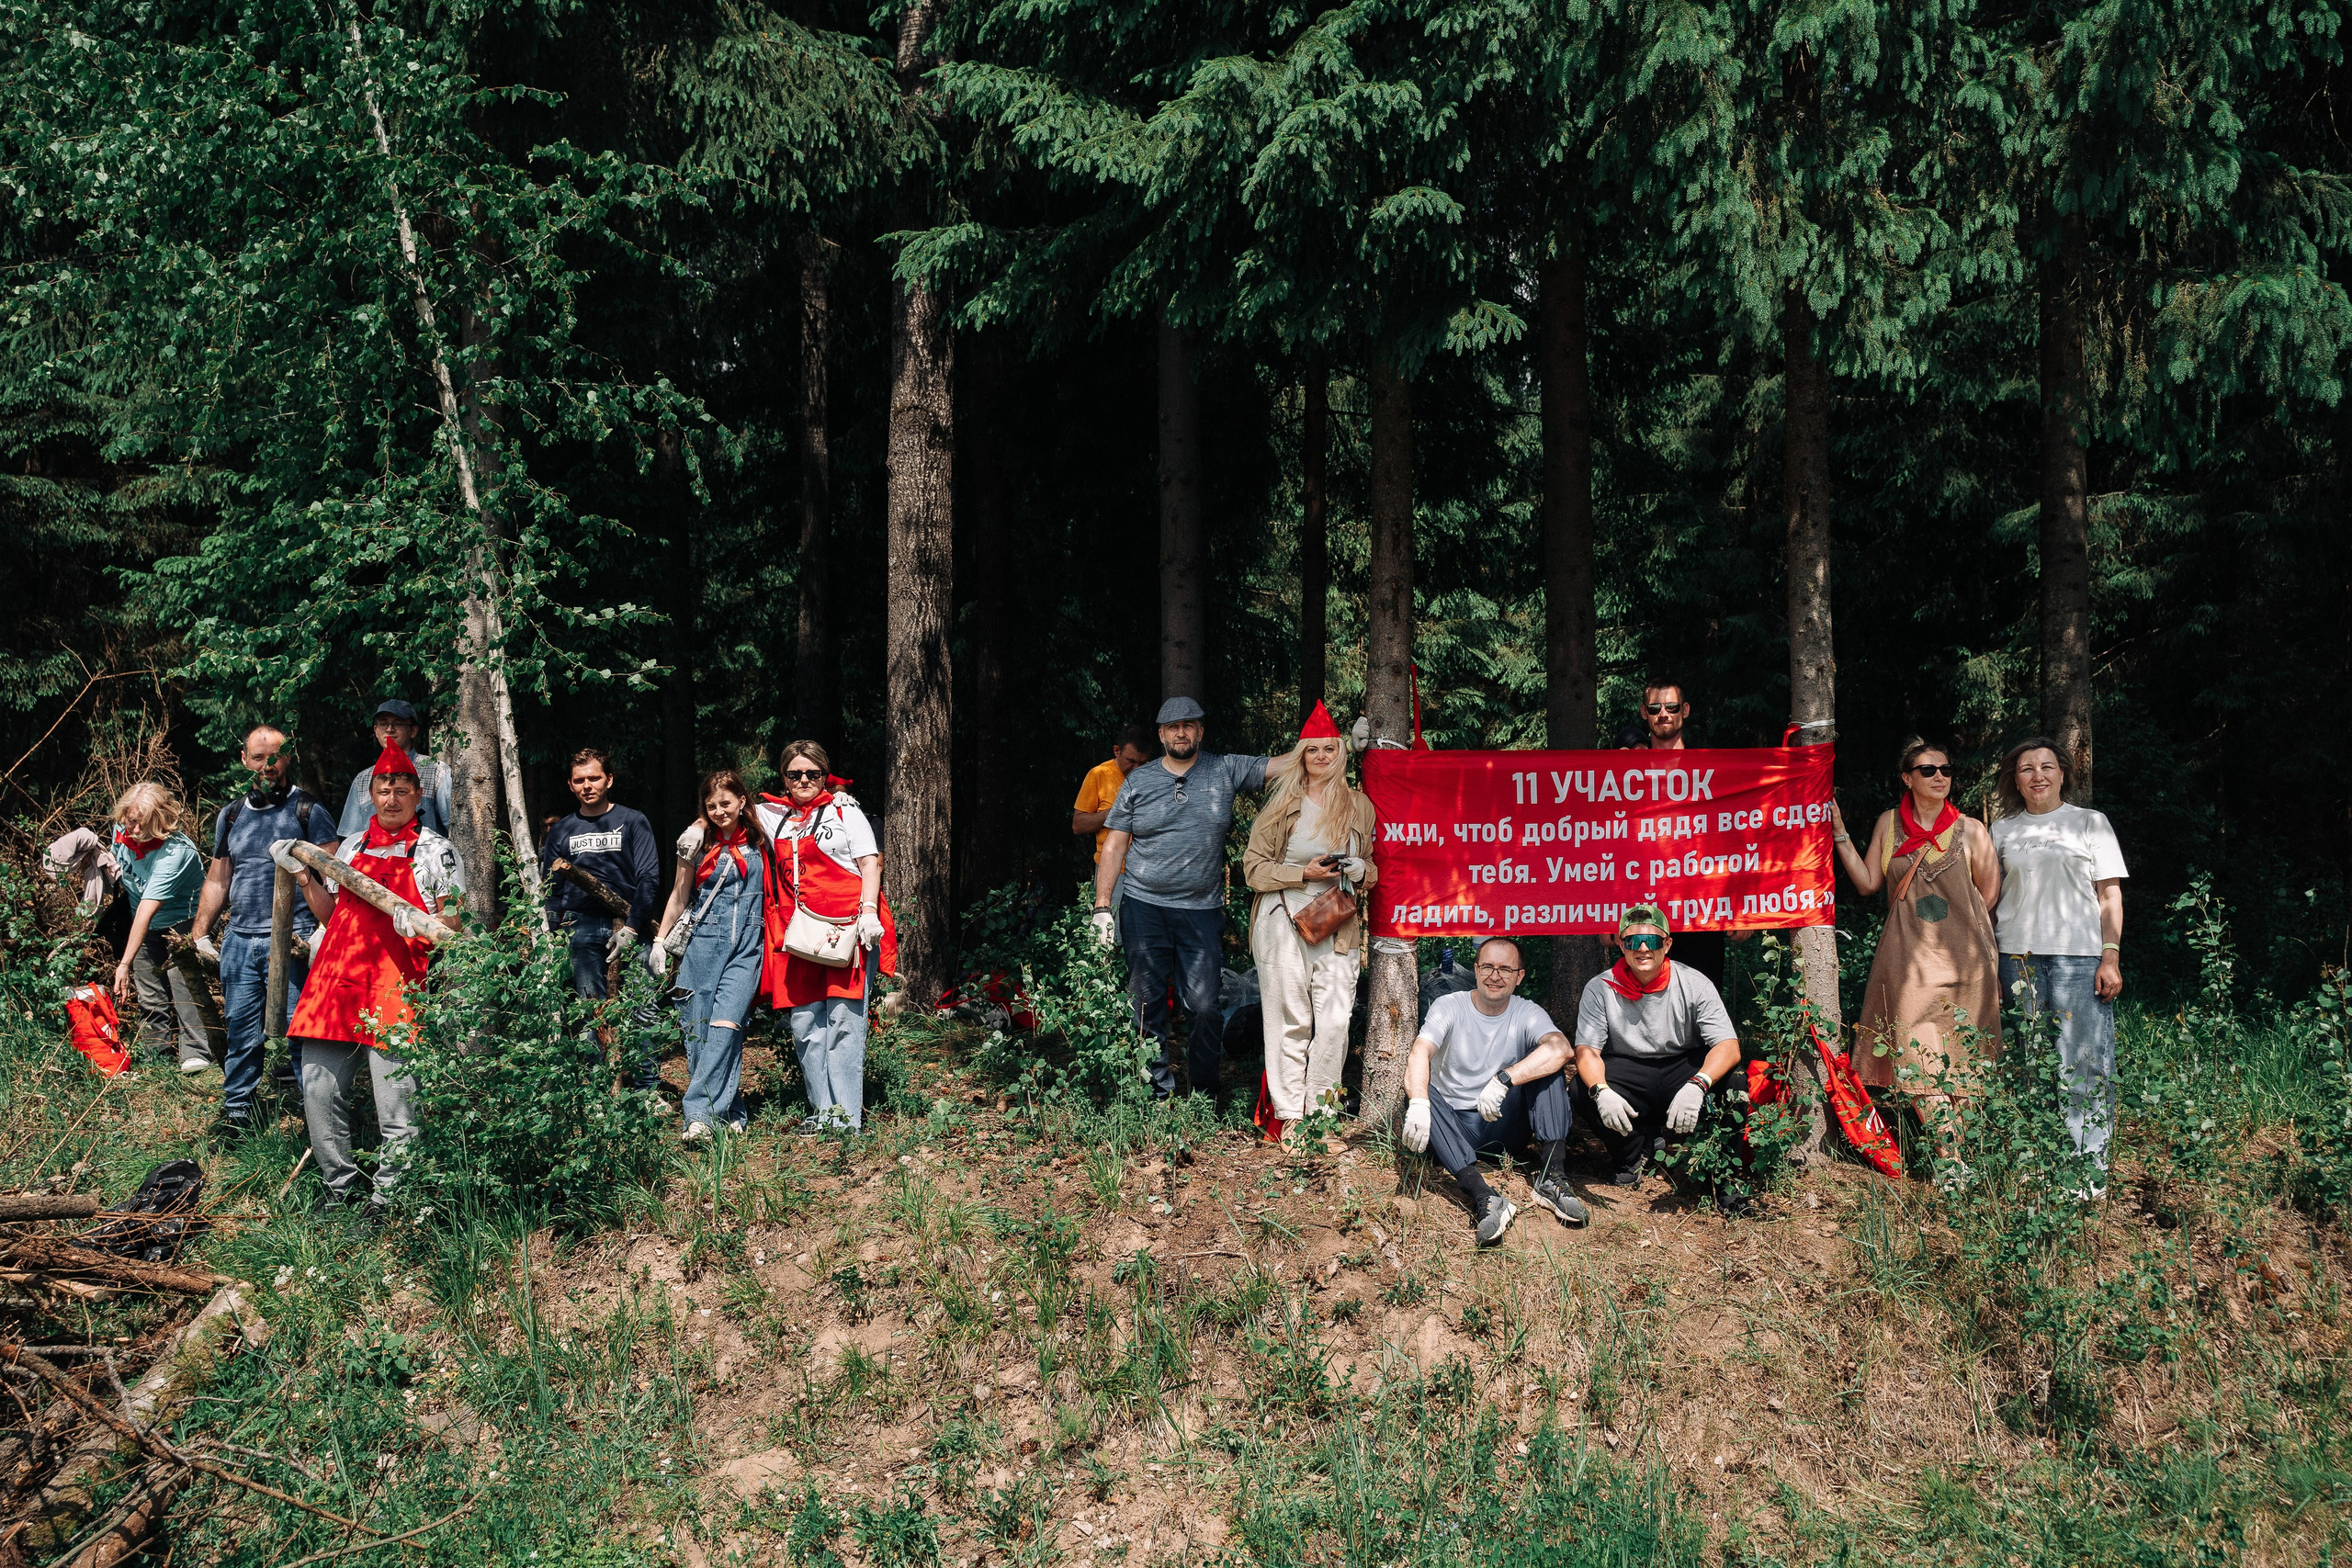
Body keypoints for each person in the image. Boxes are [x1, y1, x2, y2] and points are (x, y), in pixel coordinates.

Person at [287, 743, 466, 1220]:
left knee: (397, 1103)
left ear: (418, 795)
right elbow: (331, 916)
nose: (392, 799)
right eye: (384, 789)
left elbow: (454, 923)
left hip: (397, 986)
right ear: (371, 794)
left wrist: (421, 924)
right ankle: (339, 1188)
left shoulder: (438, 852)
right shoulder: (349, 848)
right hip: (336, 982)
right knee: (319, 1091)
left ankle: (390, 1198)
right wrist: (304, 879)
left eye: (402, 790)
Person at [1091, 697, 1272, 1101]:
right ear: (1161, 734)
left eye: (1189, 725)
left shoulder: (1224, 769)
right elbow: (1115, 844)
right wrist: (1103, 907)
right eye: (1173, 726)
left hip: (1201, 911)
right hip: (1143, 907)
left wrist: (1339, 745)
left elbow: (1285, 765)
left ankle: (1204, 1096)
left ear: (1200, 732)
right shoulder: (1138, 782)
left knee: (1205, 1007)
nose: (1181, 732)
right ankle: (1156, 1093)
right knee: (1146, 1003)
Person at [1831, 738, 2002, 1165]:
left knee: (1962, 1059)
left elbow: (1988, 896)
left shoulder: (1971, 829)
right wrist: (1840, 835)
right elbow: (1868, 883)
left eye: (1946, 769)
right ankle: (1951, 1160)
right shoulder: (1889, 824)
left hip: (1967, 964)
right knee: (1914, 1056)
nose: (1939, 776)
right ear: (1907, 778)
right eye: (1928, 770)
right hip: (1908, 964)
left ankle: (1955, 1162)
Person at [187, 726, 341, 1138]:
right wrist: (201, 933)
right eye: (258, 757)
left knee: (301, 1032)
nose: (267, 765)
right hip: (240, 940)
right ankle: (238, 1113)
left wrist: (323, 932)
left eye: (275, 756)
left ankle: (316, 1119)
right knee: (241, 1031)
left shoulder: (308, 811)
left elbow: (333, 879)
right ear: (244, 759)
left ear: (288, 757)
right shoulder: (231, 814)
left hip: (295, 939)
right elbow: (218, 878)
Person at [1988, 737, 2127, 1190]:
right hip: (2017, 959)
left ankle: (2086, 1175)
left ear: (2063, 774)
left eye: (2047, 766)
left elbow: (2110, 896)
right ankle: (2038, 1167)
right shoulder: (2001, 829)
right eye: (2027, 768)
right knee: (2029, 1063)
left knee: (2082, 1063)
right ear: (2015, 780)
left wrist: (2110, 955)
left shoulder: (2090, 822)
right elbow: (1987, 901)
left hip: (2079, 958)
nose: (2038, 775)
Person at [1242, 701, 1377, 1144]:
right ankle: (1290, 1118)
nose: (1321, 757)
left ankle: (1320, 1116)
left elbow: (1373, 867)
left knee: (1335, 1021)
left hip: (1337, 920)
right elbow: (1253, 869)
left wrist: (1360, 869)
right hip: (1282, 917)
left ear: (1340, 753)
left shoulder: (1359, 806)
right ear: (1301, 756)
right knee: (1289, 1019)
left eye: (1329, 749)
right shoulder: (1282, 806)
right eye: (1312, 750)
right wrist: (1303, 873)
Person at [1398, 936, 1589, 1245]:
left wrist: (1504, 1079)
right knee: (1421, 1089)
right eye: (1487, 967)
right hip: (1453, 1130)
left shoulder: (1526, 1011)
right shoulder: (1450, 1006)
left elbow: (1562, 1049)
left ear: (1519, 976)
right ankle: (1484, 1196)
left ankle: (1552, 1178)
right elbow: (1420, 1052)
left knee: (1546, 1065)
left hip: (1503, 1124)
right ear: (1475, 970)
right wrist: (1419, 1103)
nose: (1495, 976)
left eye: (1505, 969)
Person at [753, 743, 895, 1134]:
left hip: (847, 930)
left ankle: (846, 1121)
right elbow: (725, 807)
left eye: (812, 774)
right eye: (795, 774)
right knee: (804, 1023)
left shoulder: (845, 810)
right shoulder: (770, 814)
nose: (803, 780)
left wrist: (869, 911)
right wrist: (698, 827)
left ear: (824, 775)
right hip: (797, 934)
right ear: (783, 778)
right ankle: (822, 1112)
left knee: (844, 1022)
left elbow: (869, 862)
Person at [1573, 905, 1742, 1188]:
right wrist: (1601, 1091)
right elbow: (1586, 1051)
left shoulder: (1694, 982)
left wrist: (1698, 1084)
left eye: (1652, 940)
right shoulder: (1599, 987)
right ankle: (1632, 1153)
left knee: (1734, 1080)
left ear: (1667, 944)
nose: (1643, 949)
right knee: (1582, 1087)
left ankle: (1725, 1181)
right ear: (1620, 945)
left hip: (1682, 1068)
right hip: (1630, 1069)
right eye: (1632, 941)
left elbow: (1729, 1045)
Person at [650, 770, 770, 1140]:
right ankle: (730, 1110)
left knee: (726, 1026)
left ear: (742, 801)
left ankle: (698, 1115)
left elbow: (794, 811)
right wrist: (659, 940)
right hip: (703, 944)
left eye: (726, 803)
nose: (720, 812)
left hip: (747, 947)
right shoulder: (697, 845)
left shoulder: (763, 836)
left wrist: (840, 797)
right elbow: (679, 895)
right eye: (711, 806)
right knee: (698, 1028)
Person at [538, 748, 663, 1086]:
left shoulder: (633, 820)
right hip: (580, 925)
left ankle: (646, 1090)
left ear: (609, 780)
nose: (587, 786)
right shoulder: (562, 830)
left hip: (629, 921)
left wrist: (633, 927)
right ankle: (598, 1089)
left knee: (642, 1007)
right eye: (579, 780)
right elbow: (553, 890)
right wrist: (552, 934)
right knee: (590, 1012)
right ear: (570, 785)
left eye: (594, 778)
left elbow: (648, 878)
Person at [1623, 679, 1726, 989]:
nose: (1663, 714)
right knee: (1642, 1000)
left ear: (1685, 710)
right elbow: (1611, 846)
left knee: (1703, 998)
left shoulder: (1712, 769)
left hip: (1702, 910)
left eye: (1671, 707)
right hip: (1644, 909)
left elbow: (1733, 839)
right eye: (1655, 708)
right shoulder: (1625, 773)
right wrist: (1606, 917)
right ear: (1644, 712)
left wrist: (1740, 910)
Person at [107, 783, 212, 1073]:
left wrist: (123, 964)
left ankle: (196, 1053)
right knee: (150, 991)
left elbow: (147, 907)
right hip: (142, 922)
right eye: (130, 820)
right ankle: (157, 1055)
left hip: (185, 922)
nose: (133, 829)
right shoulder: (121, 830)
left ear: (160, 820)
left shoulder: (176, 852)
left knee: (184, 985)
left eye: (142, 823)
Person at [335, 698, 453, 838]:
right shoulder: (362, 779)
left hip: (424, 851)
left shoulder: (436, 771)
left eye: (398, 723)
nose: (389, 729)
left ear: (413, 731)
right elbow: (352, 837)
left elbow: (455, 827)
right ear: (376, 730)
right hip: (374, 851)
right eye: (383, 723)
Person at [1073, 726, 1159, 859]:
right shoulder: (1098, 775)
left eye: (1142, 763)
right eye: (1131, 761)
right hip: (1110, 864)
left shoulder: (1154, 775)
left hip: (1148, 864)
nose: (1136, 768)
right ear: (1117, 751)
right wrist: (1114, 812)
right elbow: (1078, 825)